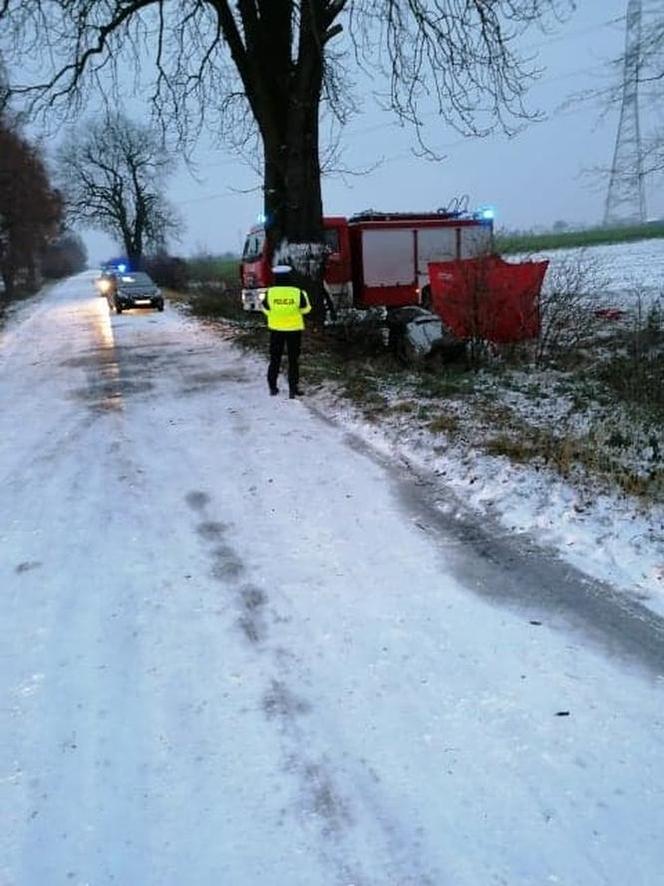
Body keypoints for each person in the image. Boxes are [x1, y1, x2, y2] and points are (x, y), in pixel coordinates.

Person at [261, 264, 312, 398]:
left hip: (276, 330)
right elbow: (306, 309)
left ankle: (272, 388)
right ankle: (292, 389)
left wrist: (276, 315)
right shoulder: (298, 292)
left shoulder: (270, 293)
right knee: (293, 360)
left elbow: (265, 309)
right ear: (289, 276)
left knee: (275, 358)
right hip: (294, 330)